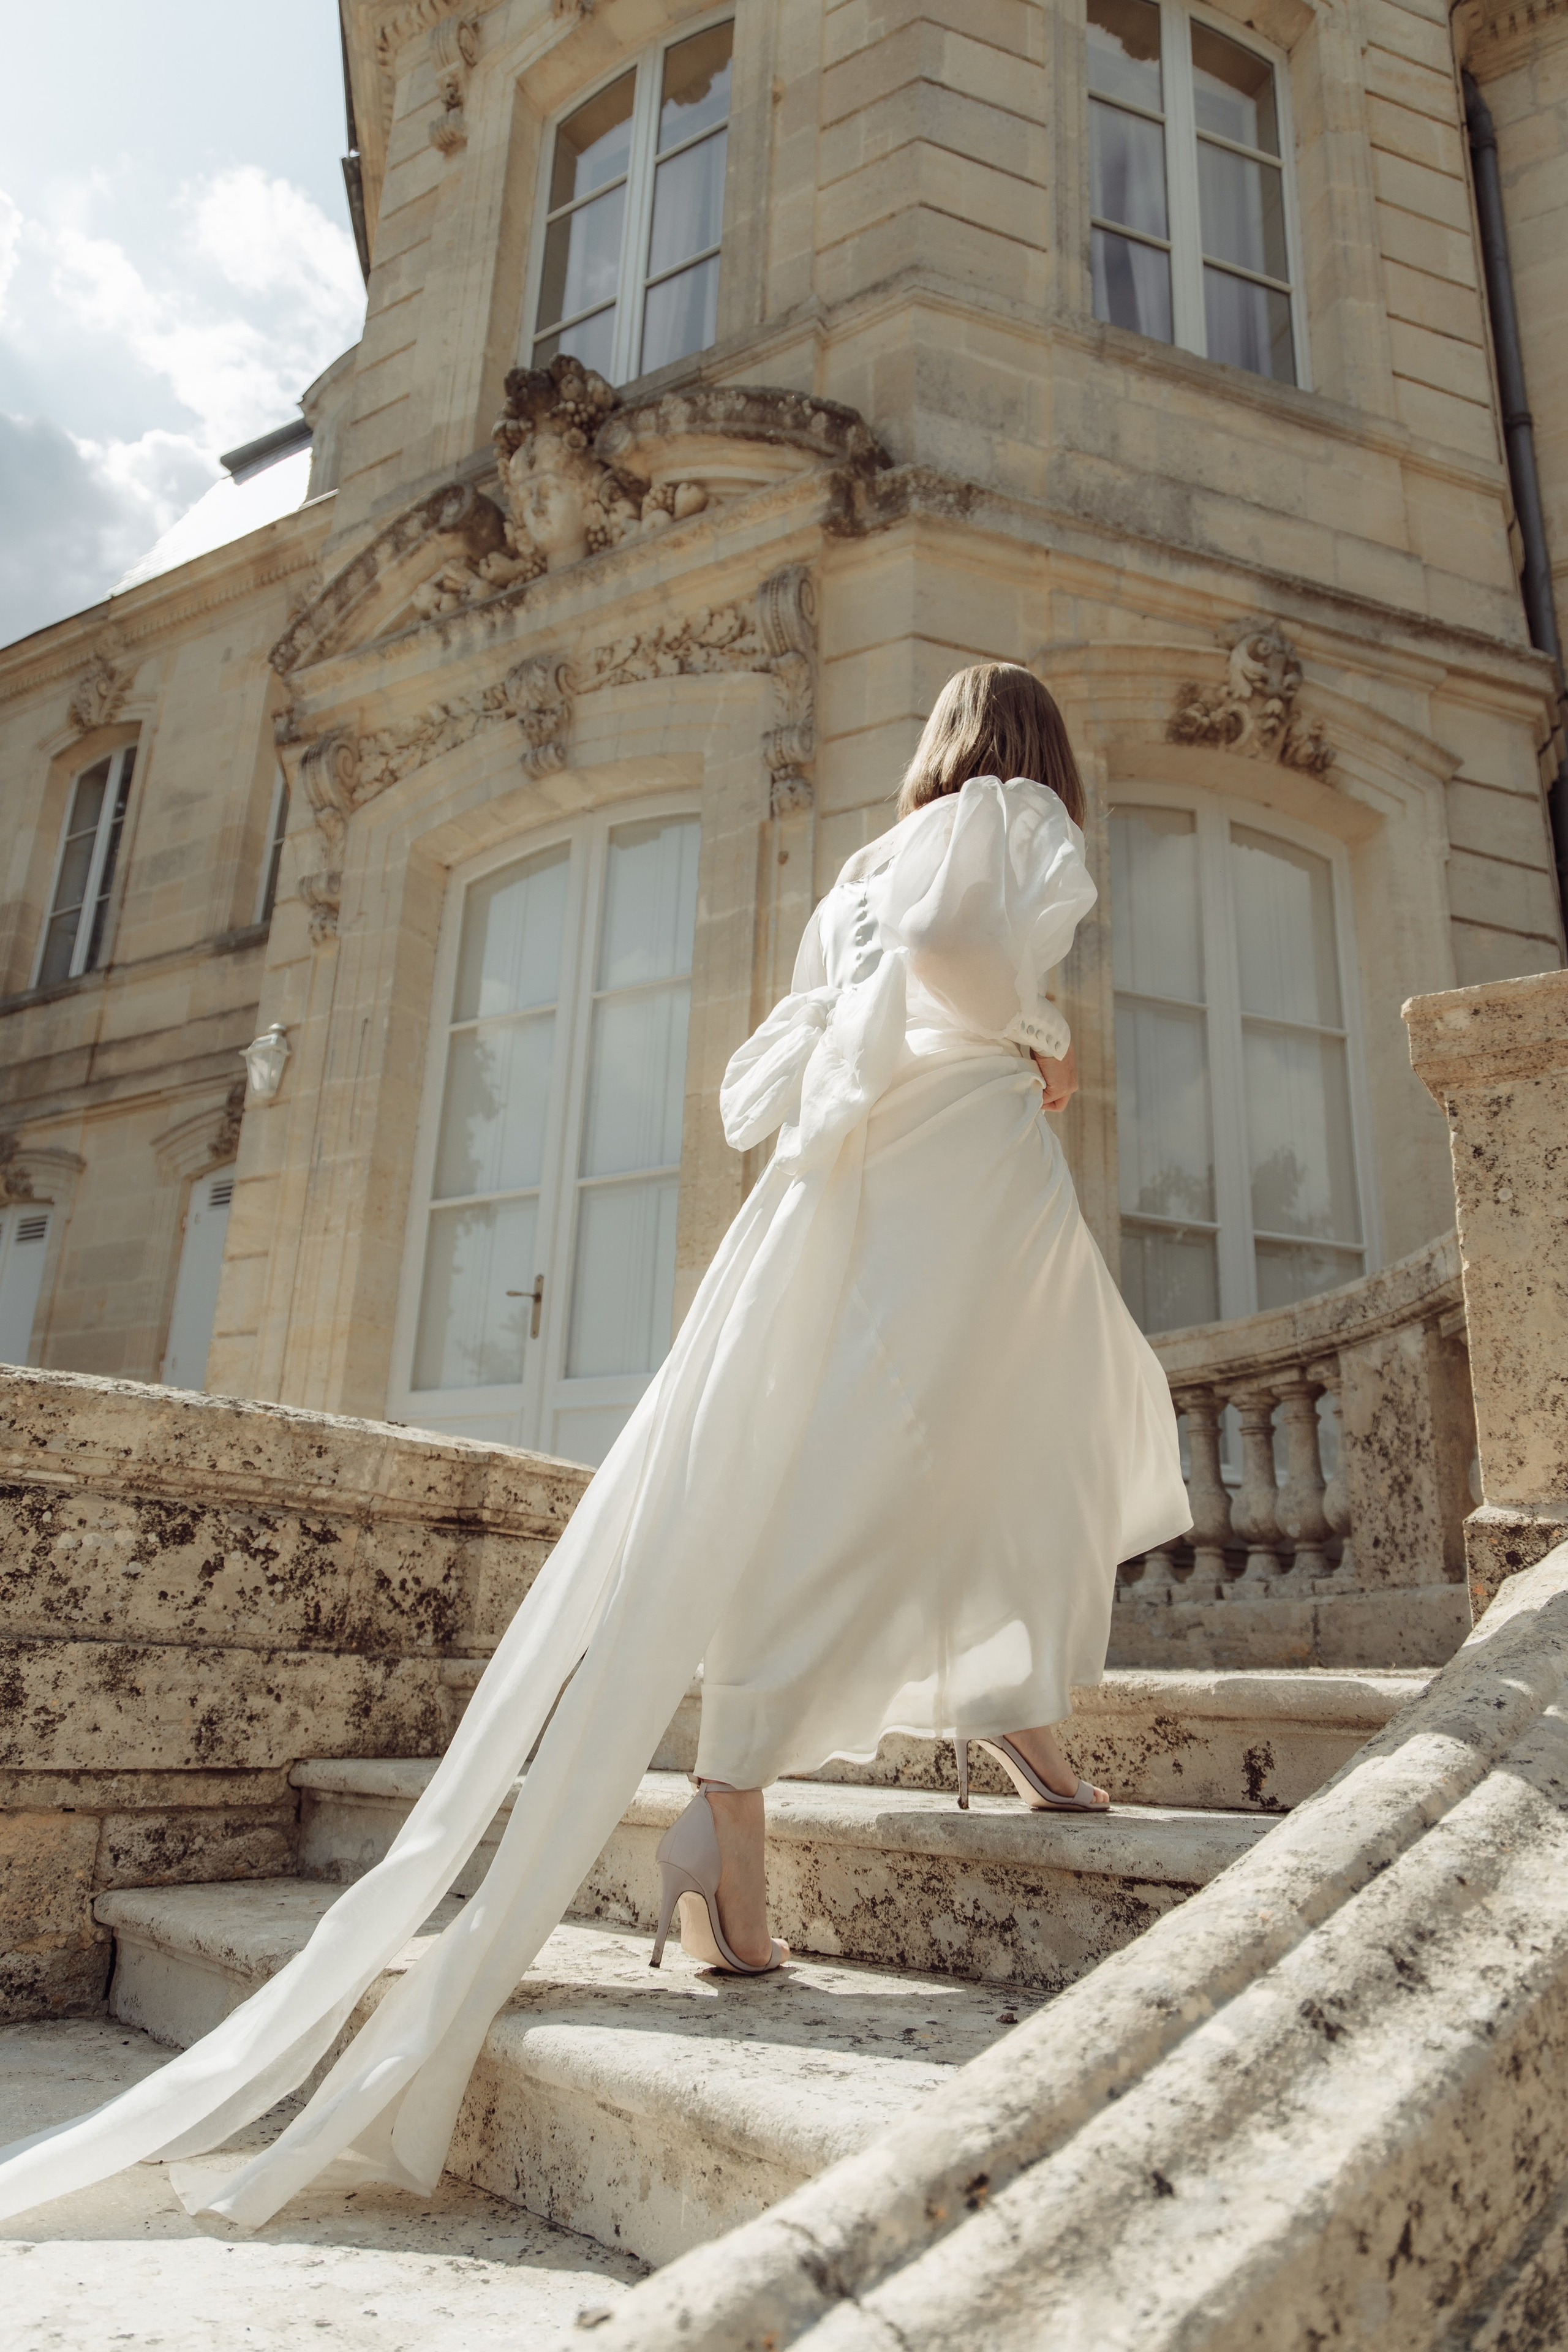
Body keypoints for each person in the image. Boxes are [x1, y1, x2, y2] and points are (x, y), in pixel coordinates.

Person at [0, 662, 1190, 2224]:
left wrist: (998, 1031)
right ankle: (932, 1735)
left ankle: (769, 1810)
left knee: (868, 1450)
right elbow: (958, 961)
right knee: (1030, 1420)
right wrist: (1033, 1031)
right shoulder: (1012, 809)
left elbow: (848, 997)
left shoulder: (860, 859)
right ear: (1032, 751)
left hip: (848, 1176)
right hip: (949, 1157)